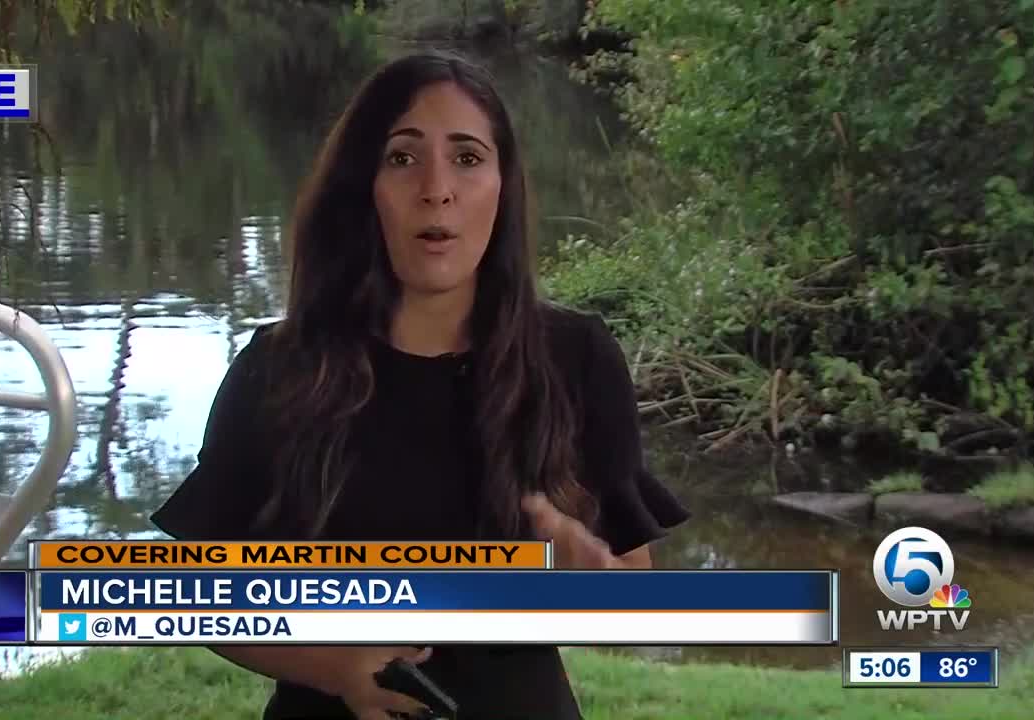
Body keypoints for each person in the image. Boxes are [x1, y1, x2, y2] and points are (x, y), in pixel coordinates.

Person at [149, 50, 690, 720]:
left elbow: (630, 600)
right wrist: (327, 667)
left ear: (503, 184)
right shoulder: (281, 366)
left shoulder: (576, 357)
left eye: (466, 158)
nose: (437, 189)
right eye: (403, 158)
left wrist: (594, 579)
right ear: (364, 187)